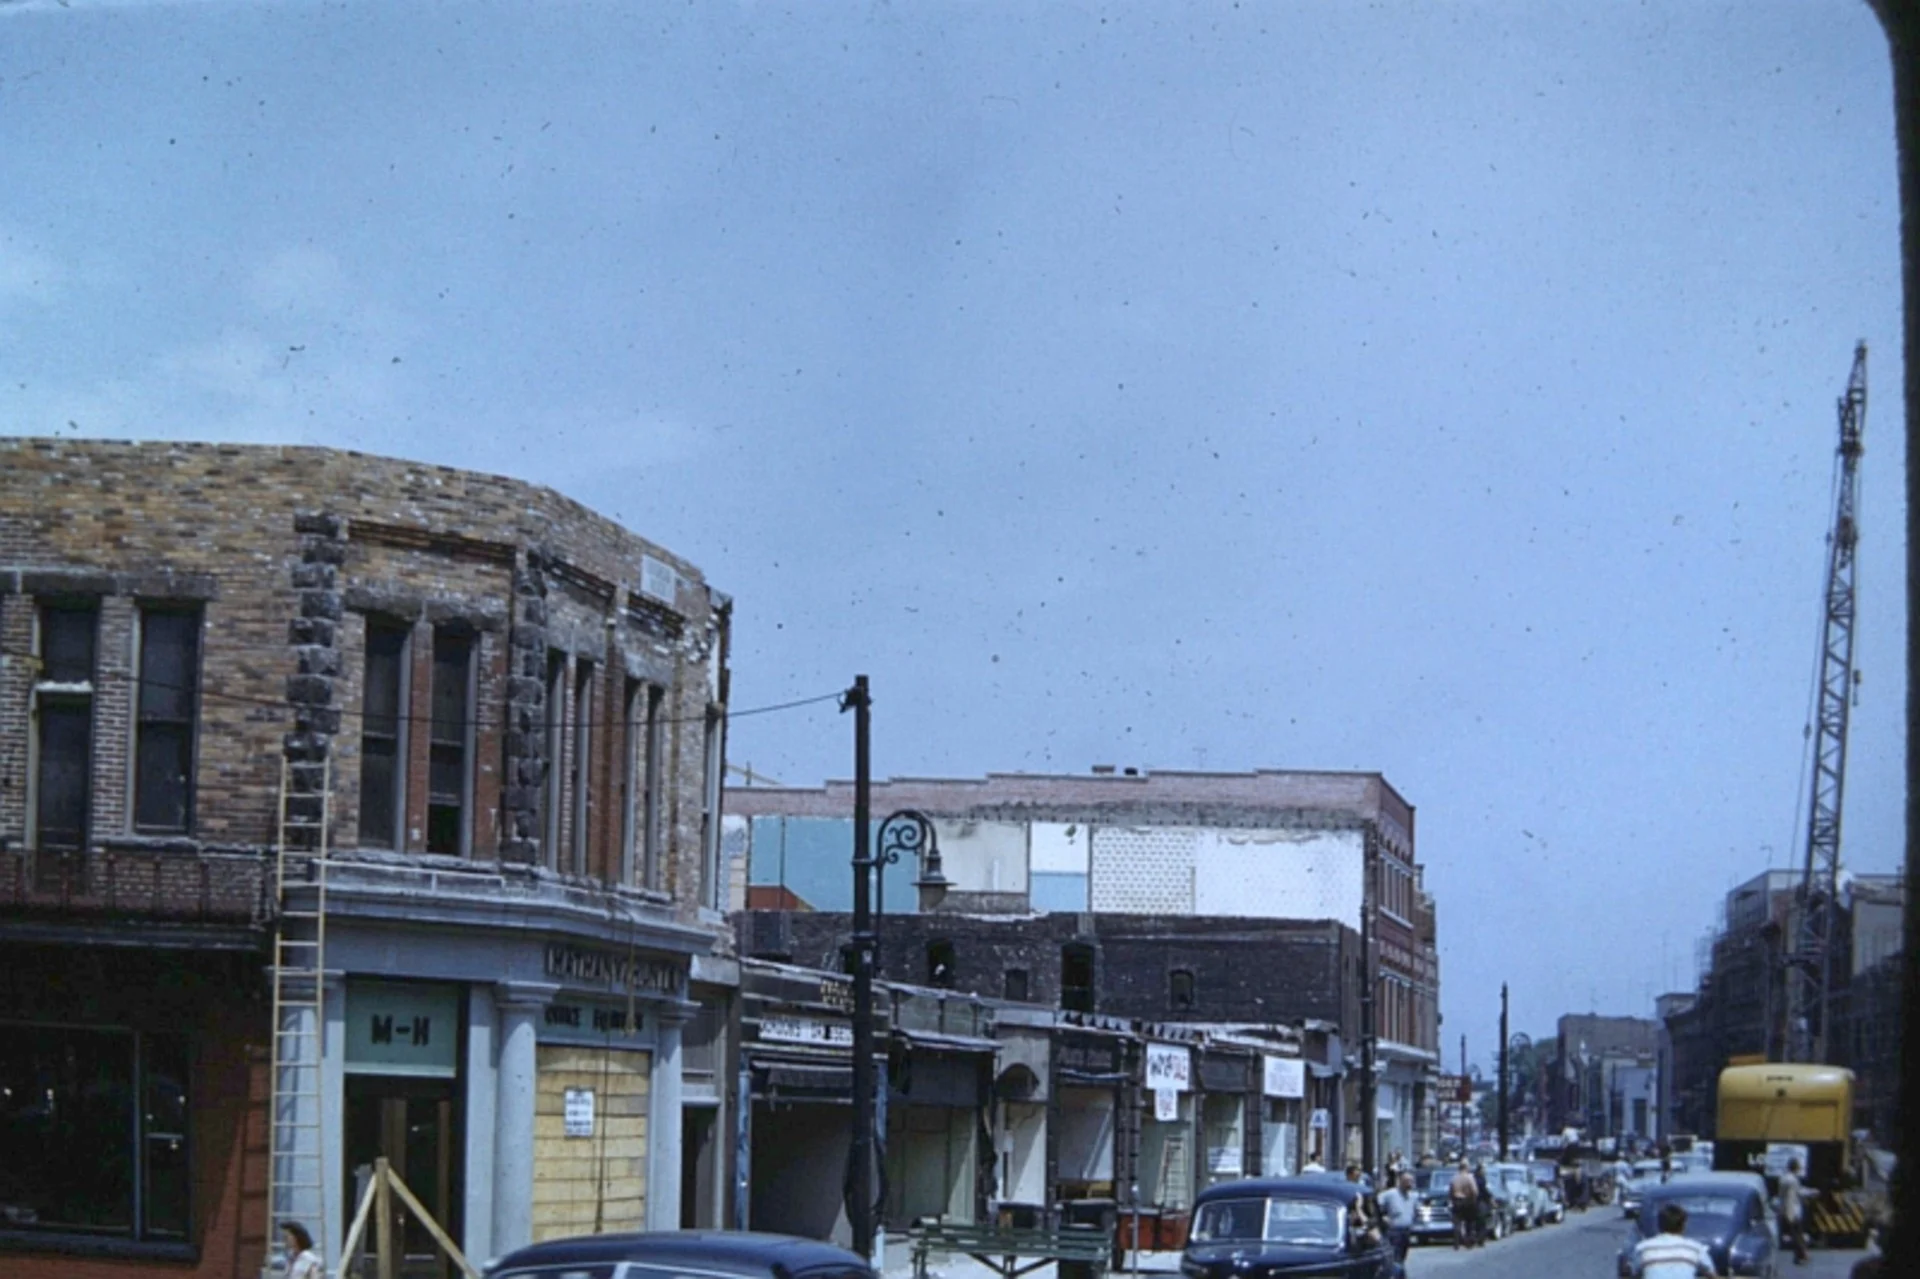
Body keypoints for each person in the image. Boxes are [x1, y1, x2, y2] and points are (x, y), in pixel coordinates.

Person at [1629, 1202, 1715, 1277]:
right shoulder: (1695, 1249)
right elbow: (1711, 1274)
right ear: (1683, 1226)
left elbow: (1633, 1272)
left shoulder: (1643, 1249)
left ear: (1659, 1225)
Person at [1378, 1170, 1418, 1268]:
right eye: (1407, 1181)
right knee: (1396, 1258)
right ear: (1400, 1181)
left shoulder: (1413, 1196)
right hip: (1394, 1231)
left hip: (1407, 1231)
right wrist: (1382, 1217)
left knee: (1402, 1256)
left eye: (1411, 1181)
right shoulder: (1389, 1194)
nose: (1409, 1183)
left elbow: (1415, 1211)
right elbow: (1377, 1205)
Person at [1777, 1157, 1810, 1266]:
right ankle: (1802, 1255)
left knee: (1795, 1234)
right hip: (1793, 1211)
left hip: (1784, 1209)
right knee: (1797, 1235)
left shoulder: (1783, 1179)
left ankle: (1799, 1255)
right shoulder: (1792, 1181)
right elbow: (1792, 1197)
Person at [1448, 1160, 1478, 1250]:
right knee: (1469, 1222)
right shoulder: (1469, 1177)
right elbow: (1475, 1191)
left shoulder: (1454, 1178)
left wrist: (1452, 1200)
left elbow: (1450, 1192)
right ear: (1466, 1167)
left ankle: (1456, 1243)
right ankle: (1468, 1241)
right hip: (1467, 1201)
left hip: (1457, 1201)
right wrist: (1473, 1200)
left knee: (1457, 1223)